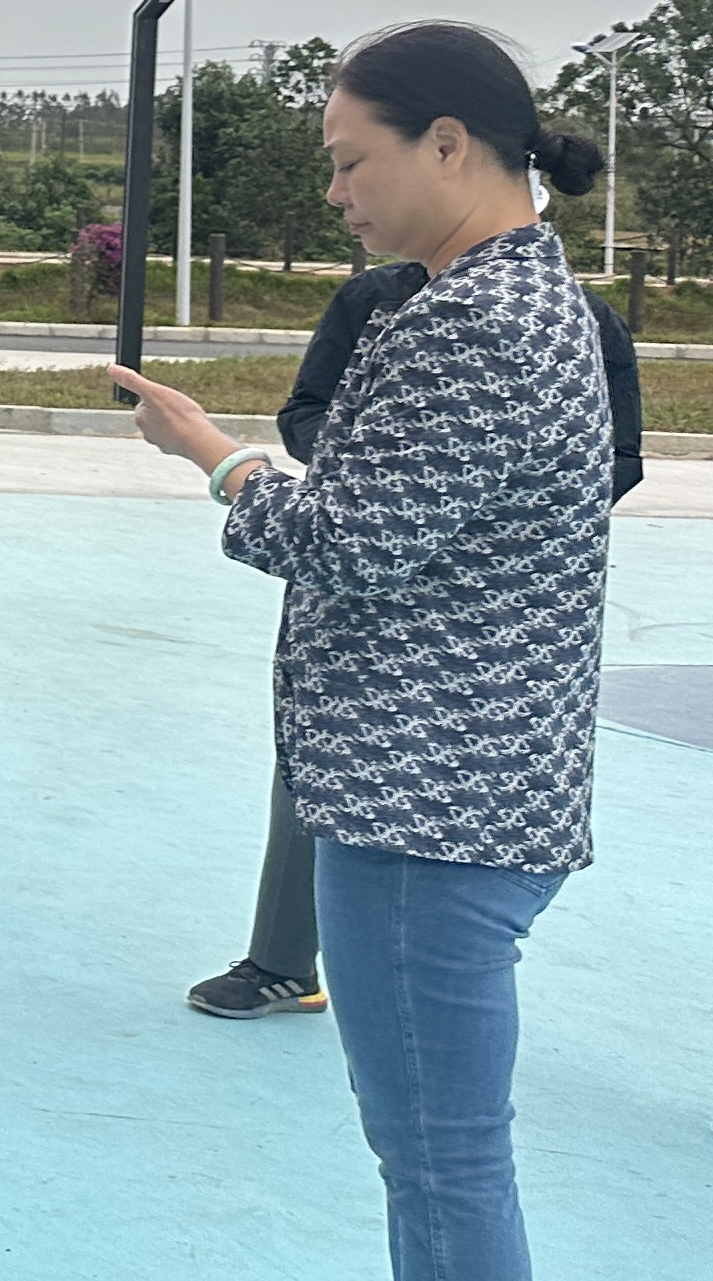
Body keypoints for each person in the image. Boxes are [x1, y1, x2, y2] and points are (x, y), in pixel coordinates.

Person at [110, 23, 610, 1281]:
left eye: (351, 160)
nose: (337, 191)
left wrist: (214, 458)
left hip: (430, 802)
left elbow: (350, 541)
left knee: (446, 1161)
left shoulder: (480, 323)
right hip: (457, 786)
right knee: (427, 1155)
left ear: (449, 144)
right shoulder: (508, 300)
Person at [190, 263, 648, 1021]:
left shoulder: (548, 316)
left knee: (427, 952)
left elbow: (616, 459)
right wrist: (383, 472)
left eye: (355, 178)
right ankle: (282, 960)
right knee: (319, 773)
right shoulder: (376, 299)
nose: (343, 205)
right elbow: (309, 413)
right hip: (359, 631)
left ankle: (344, 975)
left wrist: (467, 510)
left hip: (471, 646)